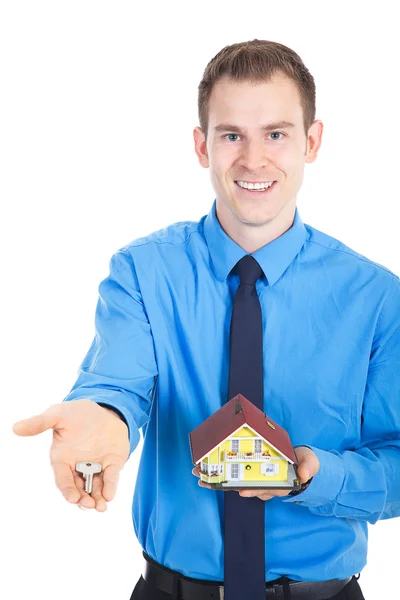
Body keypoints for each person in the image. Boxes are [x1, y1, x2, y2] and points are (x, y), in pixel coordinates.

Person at [12, 39, 400, 600]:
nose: (253, 159)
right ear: (202, 145)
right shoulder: (143, 271)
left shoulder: (378, 297)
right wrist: (105, 417)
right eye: (231, 135)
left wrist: (318, 473)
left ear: (311, 142)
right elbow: (117, 382)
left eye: (276, 133)